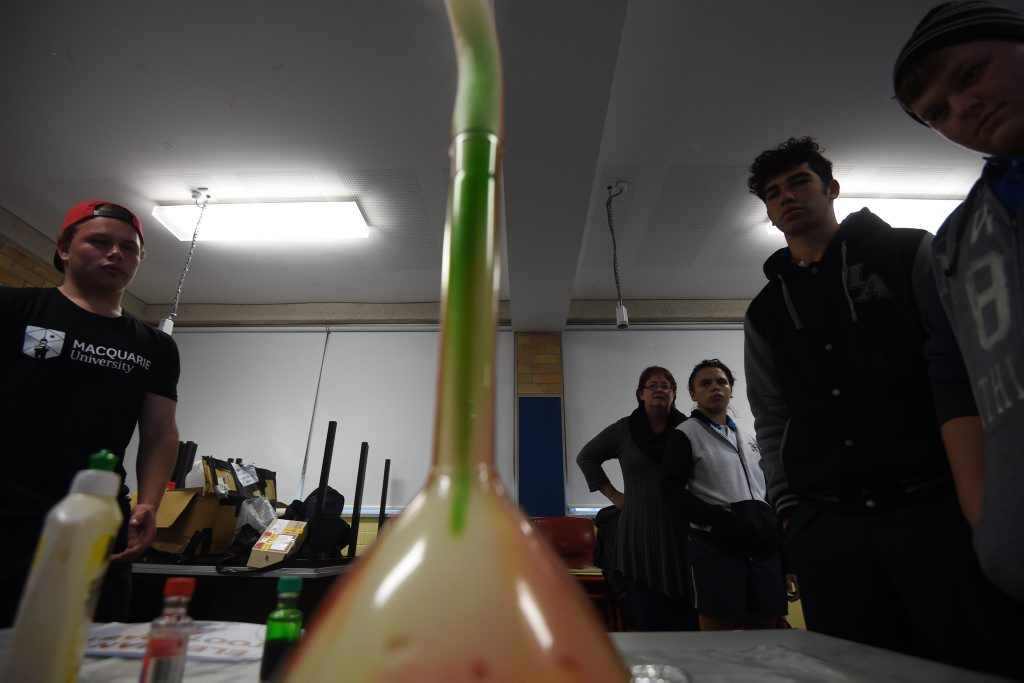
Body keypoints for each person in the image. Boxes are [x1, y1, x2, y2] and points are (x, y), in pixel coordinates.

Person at [743, 137, 1021, 676]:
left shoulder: (909, 252)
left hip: (932, 511)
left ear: (831, 188)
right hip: (829, 526)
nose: (787, 198)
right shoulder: (766, 310)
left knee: (972, 660)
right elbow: (771, 417)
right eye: (774, 194)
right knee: (854, 670)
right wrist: (790, 514)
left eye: (799, 182)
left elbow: (963, 373)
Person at [892, 0, 1024, 603]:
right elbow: (955, 382)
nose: (963, 109)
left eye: (971, 74)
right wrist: (990, 527)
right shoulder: (955, 244)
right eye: (937, 111)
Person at [0, 200, 181, 626]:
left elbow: (160, 433)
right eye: (99, 241)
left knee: (93, 646)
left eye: (129, 247)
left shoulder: (155, 346)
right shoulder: (13, 310)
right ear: (64, 249)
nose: (116, 253)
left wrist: (149, 503)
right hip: (8, 516)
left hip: (99, 522)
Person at [662, 359, 786, 631]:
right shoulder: (685, 434)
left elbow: (767, 488)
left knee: (766, 640)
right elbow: (670, 491)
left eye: (721, 382)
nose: (715, 387)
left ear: (731, 389)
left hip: (763, 547)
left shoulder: (749, 435)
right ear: (693, 394)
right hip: (718, 548)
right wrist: (717, 518)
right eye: (705, 384)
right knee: (718, 640)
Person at [576, 366, 697, 631]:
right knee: (648, 620)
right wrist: (614, 495)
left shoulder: (689, 429)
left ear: (674, 394)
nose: (659, 390)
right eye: (652, 385)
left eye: (666, 386)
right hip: (638, 535)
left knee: (687, 623)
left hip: (682, 532)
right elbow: (586, 457)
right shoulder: (624, 430)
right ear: (640, 394)